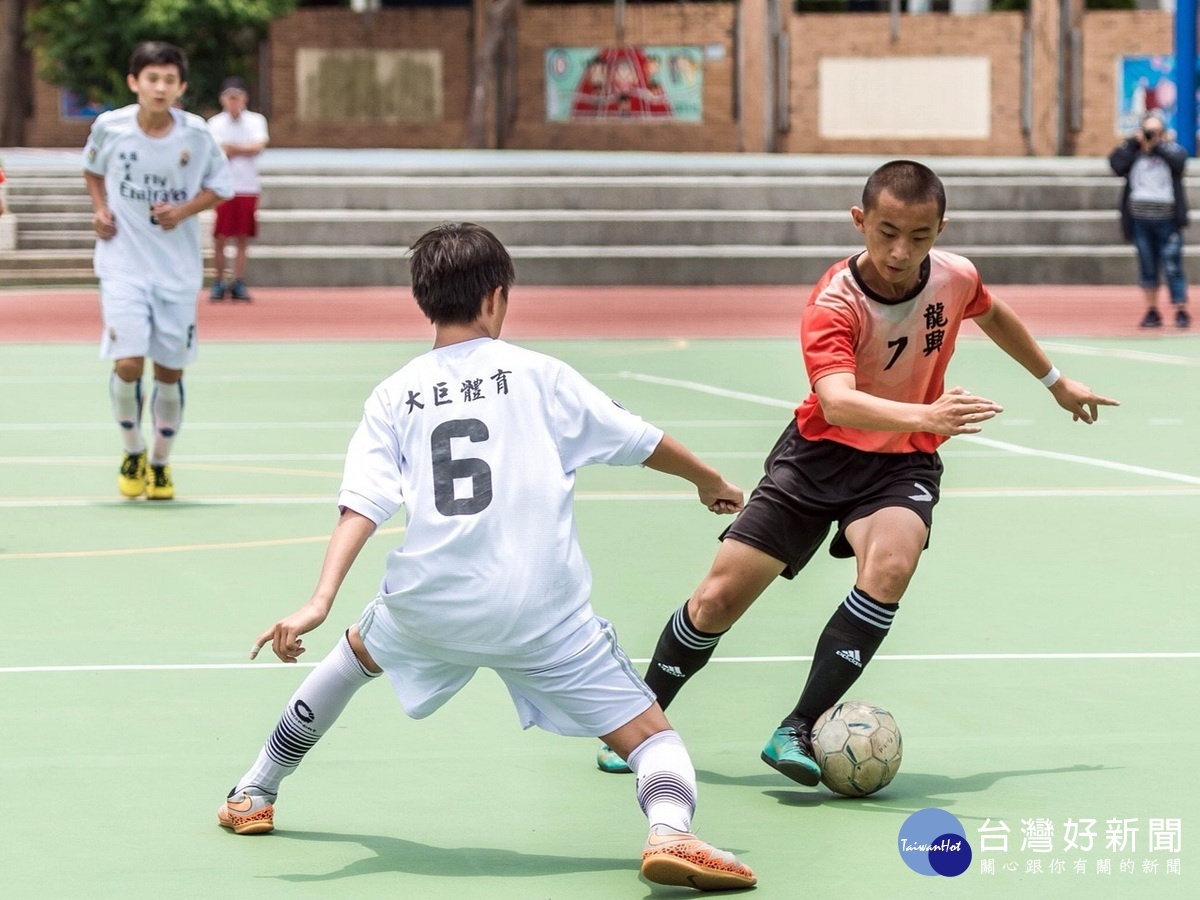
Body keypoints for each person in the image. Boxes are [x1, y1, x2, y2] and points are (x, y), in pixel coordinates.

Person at [217, 223, 757, 892]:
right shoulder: (540, 375)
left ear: (424, 300)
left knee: (353, 658)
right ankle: (671, 832)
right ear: (497, 298)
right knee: (651, 737)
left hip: (432, 602)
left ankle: (253, 791)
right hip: (542, 610)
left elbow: (362, 502)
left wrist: (320, 599)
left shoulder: (394, 394)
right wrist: (709, 481)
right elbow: (643, 440)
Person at [594, 160, 1120, 785]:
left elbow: (993, 313)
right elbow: (837, 400)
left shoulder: (955, 277)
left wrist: (1057, 383)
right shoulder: (832, 301)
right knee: (716, 599)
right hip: (818, 458)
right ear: (859, 221)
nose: (901, 251)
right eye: (887, 231)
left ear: (941, 229)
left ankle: (797, 726)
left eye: (920, 236)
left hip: (902, 463)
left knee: (892, 565)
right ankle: (642, 722)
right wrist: (927, 410)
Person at [83, 41, 233, 500]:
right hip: (122, 266)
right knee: (128, 362)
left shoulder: (197, 134)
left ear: (181, 86)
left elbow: (220, 187)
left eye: (170, 79)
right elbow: (92, 169)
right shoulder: (111, 128)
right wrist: (100, 208)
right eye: (152, 78)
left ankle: (161, 462)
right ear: (134, 83)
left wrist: (184, 211)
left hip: (177, 273)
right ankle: (132, 450)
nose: (160, 87)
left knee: (169, 372)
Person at [1109, 110, 1191, 329]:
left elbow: (1180, 163)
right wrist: (1134, 143)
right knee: (1147, 266)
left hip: (1167, 219)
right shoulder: (1134, 153)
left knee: (1173, 265)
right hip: (1140, 219)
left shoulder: (1171, 150)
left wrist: (1158, 145)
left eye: (1155, 131)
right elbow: (1116, 165)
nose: (1150, 135)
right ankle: (1152, 310)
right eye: (1147, 130)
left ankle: (1180, 309)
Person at [206, 77, 268, 302]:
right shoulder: (215, 123)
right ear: (223, 99)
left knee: (242, 237)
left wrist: (233, 148)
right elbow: (215, 150)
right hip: (223, 187)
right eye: (230, 98)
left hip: (247, 186)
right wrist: (243, 149)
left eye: (237, 97)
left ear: (244, 98)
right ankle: (219, 280)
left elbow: (258, 146)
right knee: (220, 236)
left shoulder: (255, 120)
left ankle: (239, 281)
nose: (234, 102)